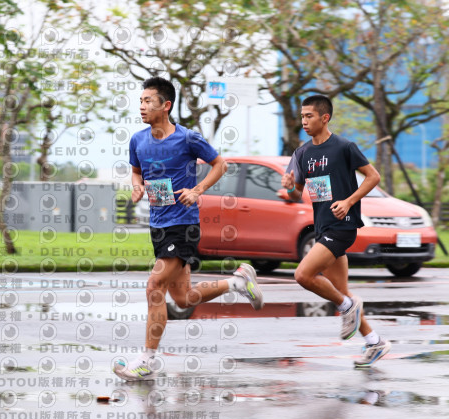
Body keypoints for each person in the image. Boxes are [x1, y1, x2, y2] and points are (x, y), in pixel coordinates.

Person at [112, 77, 265, 381]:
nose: (141, 106)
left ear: (165, 105)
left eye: (148, 101)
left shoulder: (187, 139)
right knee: (183, 298)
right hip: (158, 225)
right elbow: (136, 171)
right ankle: (237, 282)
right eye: (140, 101)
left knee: (154, 286)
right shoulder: (138, 140)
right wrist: (137, 186)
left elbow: (221, 165)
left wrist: (197, 190)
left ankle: (146, 360)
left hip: (182, 224)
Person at [281, 95, 390, 368]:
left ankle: (347, 306)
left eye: (309, 116)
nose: (304, 121)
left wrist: (349, 201)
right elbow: (296, 195)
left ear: (325, 117)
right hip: (322, 227)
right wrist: (290, 185)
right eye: (302, 116)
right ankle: (374, 341)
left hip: (343, 226)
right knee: (341, 291)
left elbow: (374, 176)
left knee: (303, 275)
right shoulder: (302, 153)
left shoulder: (344, 147)